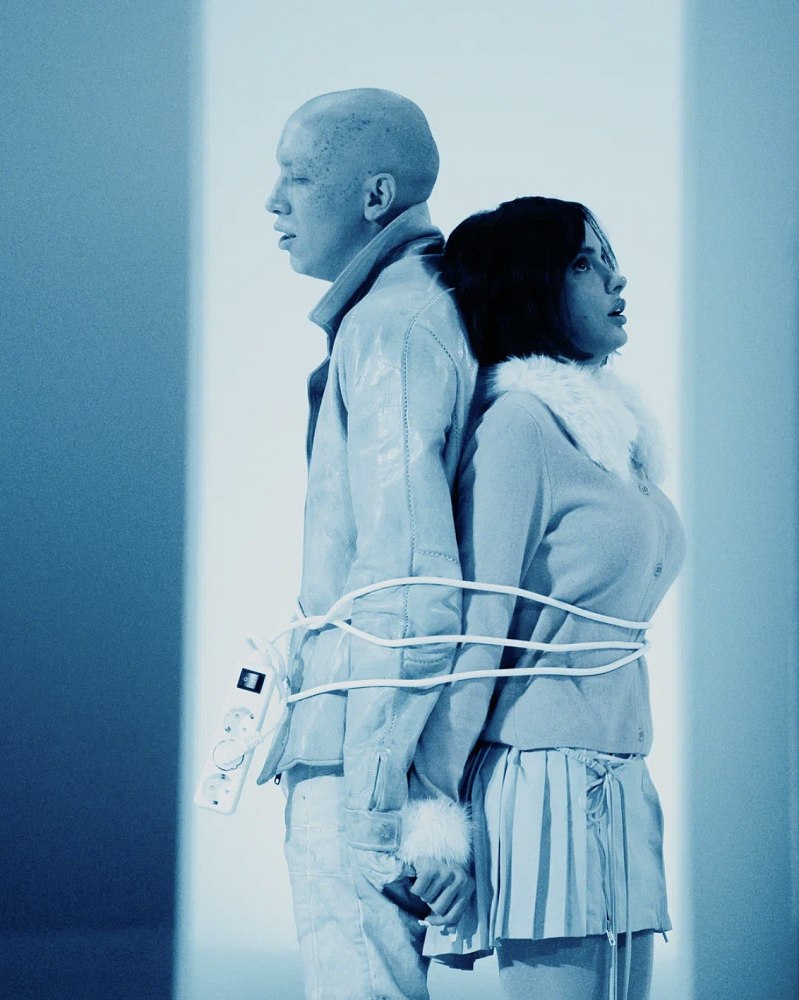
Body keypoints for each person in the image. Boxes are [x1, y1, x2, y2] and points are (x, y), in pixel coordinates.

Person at [405, 196, 686, 1000]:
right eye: (583, 263)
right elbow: (478, 625)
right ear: (531, 284)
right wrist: (432, 814)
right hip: (544, 785)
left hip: (618, 775)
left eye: (607, 258)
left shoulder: (608, 441)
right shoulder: (519, 426)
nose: (615, 278)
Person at [256, 88, 477, 1000]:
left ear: (375, 195)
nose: (273, 201)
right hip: (373, 734)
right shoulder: (419, 310)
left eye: (297, 178)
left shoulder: (392, 325)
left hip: (359, 748)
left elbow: (408, 579)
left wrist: (375, 805)